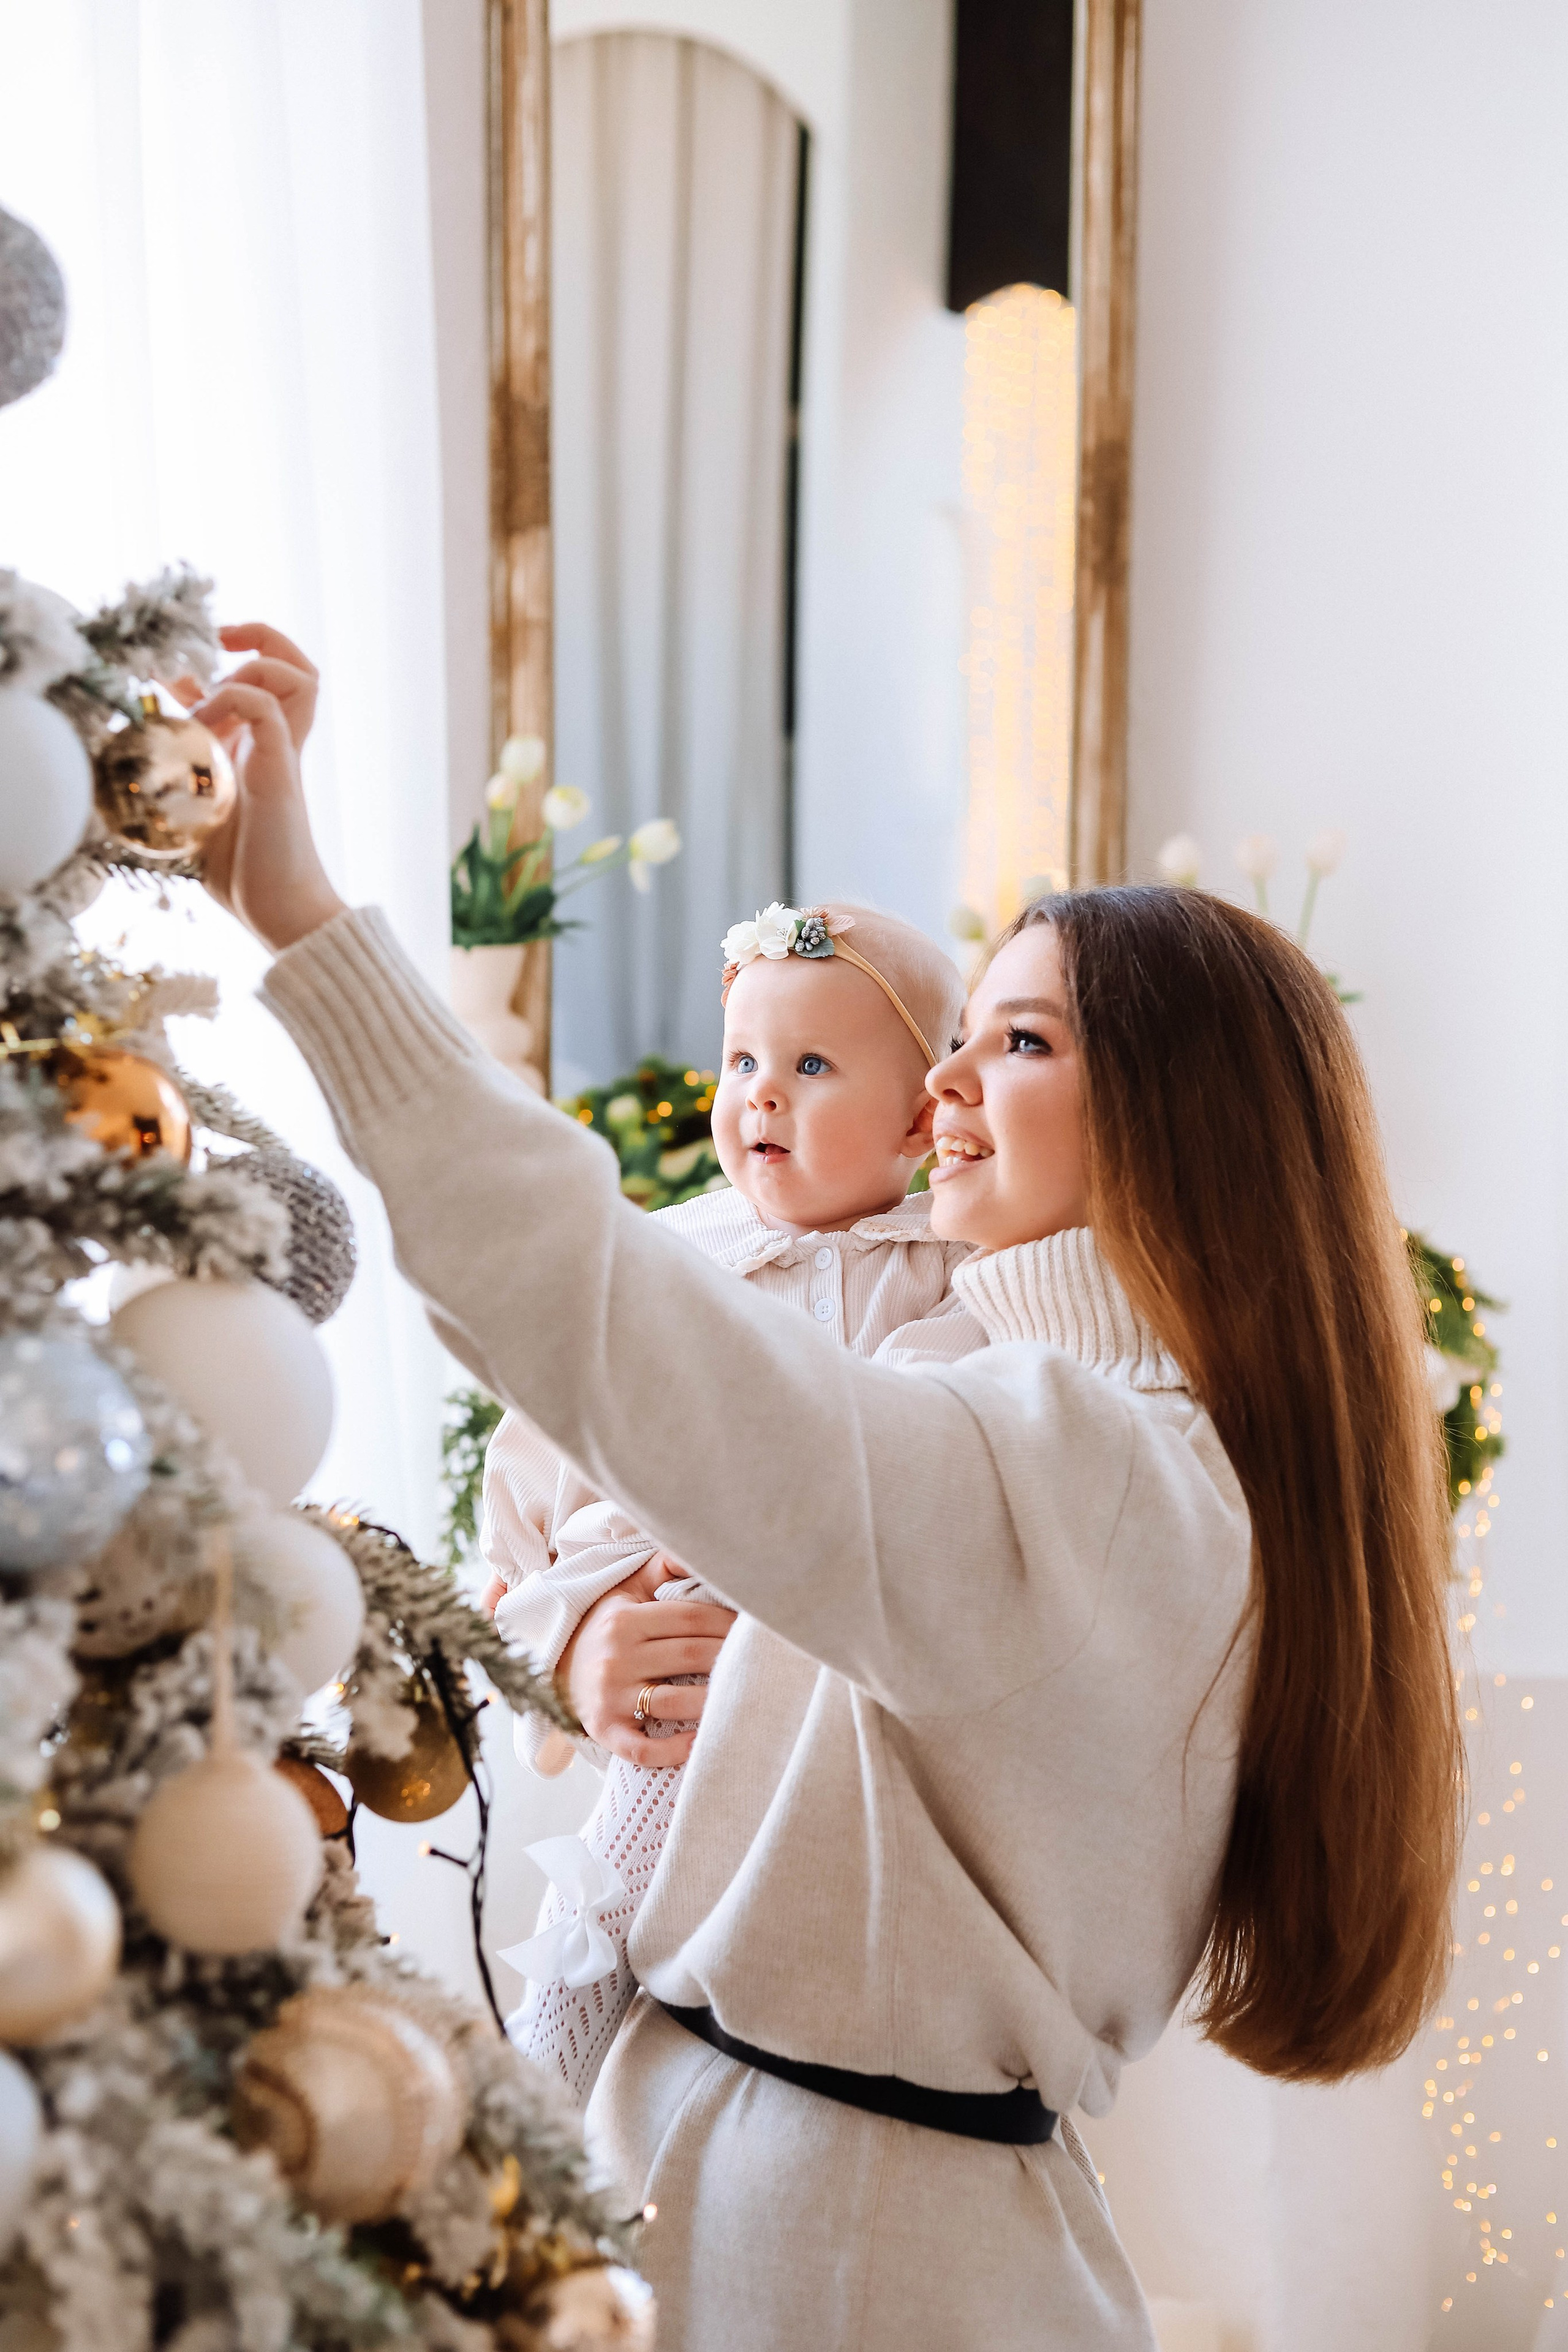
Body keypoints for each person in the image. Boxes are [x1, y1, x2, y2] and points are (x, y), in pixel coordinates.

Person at [195, 629, 1460, 2352]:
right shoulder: (1042, 1420)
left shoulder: (1087, 1468)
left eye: (1013, 1042)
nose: (941, 1078)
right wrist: (577, 1658)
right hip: (785, 2194)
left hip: (845, 2257)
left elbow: (613, 1327)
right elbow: (683, 1543)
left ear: (1184, 1123)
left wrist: (311, 927)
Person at [485, 898, 981, 2103]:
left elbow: (952, 1461)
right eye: (745, 1060)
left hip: (826, 1676)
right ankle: (536, 2112)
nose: (760, 1094)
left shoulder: (948, 1271)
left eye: (811, 1066)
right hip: (662, 1627)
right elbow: (536, 1458)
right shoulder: (664, 1257)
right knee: (608, 1899)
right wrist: (545, 1652)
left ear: (921, 1116)